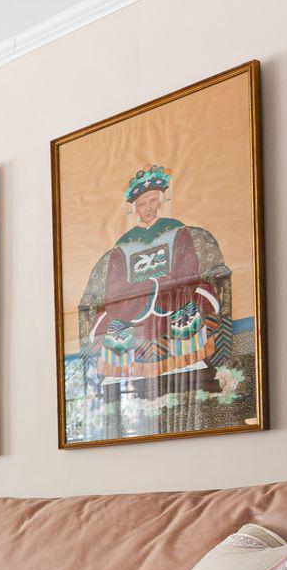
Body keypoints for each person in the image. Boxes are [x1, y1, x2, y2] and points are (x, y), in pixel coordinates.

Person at [74, 164, 233, 412]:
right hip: (134, 297)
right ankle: (127, 374)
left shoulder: (176, 230)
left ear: (159, 201)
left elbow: (187, 263)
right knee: (111, 322)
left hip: (175, 291)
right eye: (142, 204)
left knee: (188, 308)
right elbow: (114, 281)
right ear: (134, 208)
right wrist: (143, 288)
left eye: (151, 201)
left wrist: (162, 284)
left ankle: (187, 365)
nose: (147, 208)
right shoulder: (124, 245)